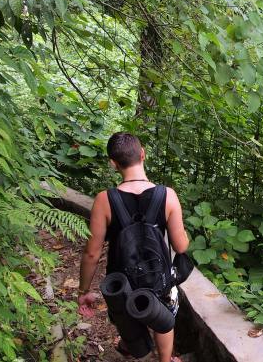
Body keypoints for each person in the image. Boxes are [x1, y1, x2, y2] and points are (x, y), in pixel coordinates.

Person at [77, 132, 189, 362]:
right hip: (159, 278)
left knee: (125, 313)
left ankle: (136, 349)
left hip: (122, 281)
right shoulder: (167, 195)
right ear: (142, 154)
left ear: (113, 163)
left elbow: (92, 252)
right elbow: (180, 245)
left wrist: (84, 290)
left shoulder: (104, 200)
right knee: (164, 313)